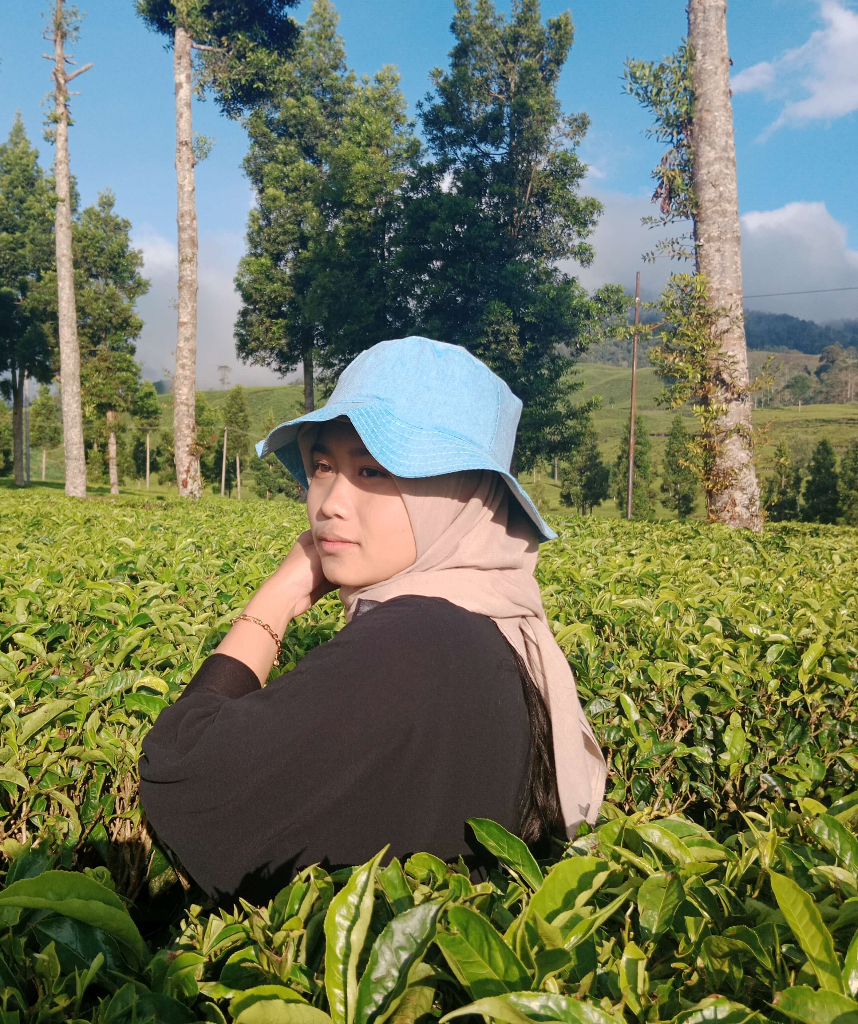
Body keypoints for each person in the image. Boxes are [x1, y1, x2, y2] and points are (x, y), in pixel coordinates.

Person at [138, 336, 605, 902]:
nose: (331, 501)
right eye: (323, 465)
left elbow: (185, 774)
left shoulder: (417, 642)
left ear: (460, 495)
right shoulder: (492, 623)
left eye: (375, 470)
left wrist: (280, 595)